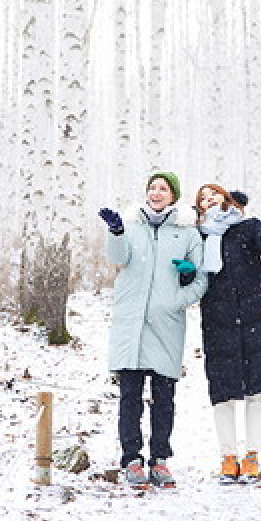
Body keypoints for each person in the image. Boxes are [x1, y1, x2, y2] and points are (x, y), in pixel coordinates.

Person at [98, 171, 207, 489]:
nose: (156, 193)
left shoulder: (187, 233)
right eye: (152, 188)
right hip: (131, 324)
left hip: (166, 325)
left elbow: (201, 278)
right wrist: (116, 232)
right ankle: (131, 459)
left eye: (163, 188)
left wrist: (176, 300)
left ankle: (160, 460)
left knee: (164, 398)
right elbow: (115, 258)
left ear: (174, 195)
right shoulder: (130, 226)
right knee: (129, 397)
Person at [194, 184, 261, 484]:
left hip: (255, 316)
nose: (209, 201)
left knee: (255, 391)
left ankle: (252, 456)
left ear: (226, 199)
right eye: (203, 199)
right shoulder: (198, 235)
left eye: (214, 195)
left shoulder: (247, 227)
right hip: (218, 318)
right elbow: (194, 273)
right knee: (222, 392)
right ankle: (228, 456)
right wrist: (186, 271)